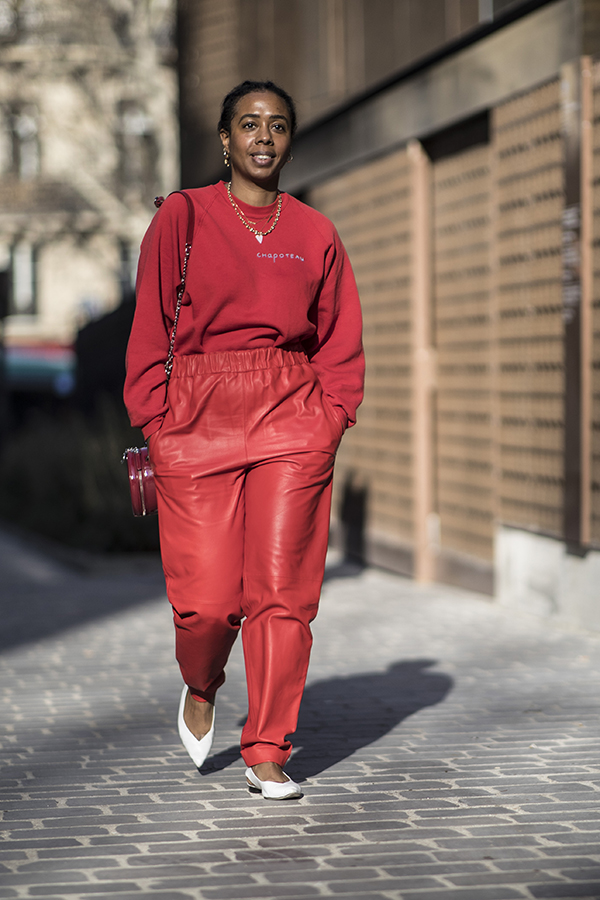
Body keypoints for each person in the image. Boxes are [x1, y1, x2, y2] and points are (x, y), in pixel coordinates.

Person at [124, 80, 364, 800]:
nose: (265, 136)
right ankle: (202, 682)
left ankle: (267, 747)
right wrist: (157, 421)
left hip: (292, 413)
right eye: (250, 124)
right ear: (225, 138)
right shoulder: (184, 215)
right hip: (197, 417)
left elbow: (339, 339)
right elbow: (150, 323)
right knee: (206, 601)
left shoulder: (316, 233)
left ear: (291, 141)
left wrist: (330, 416)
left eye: (279, 125)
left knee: (282, 592)